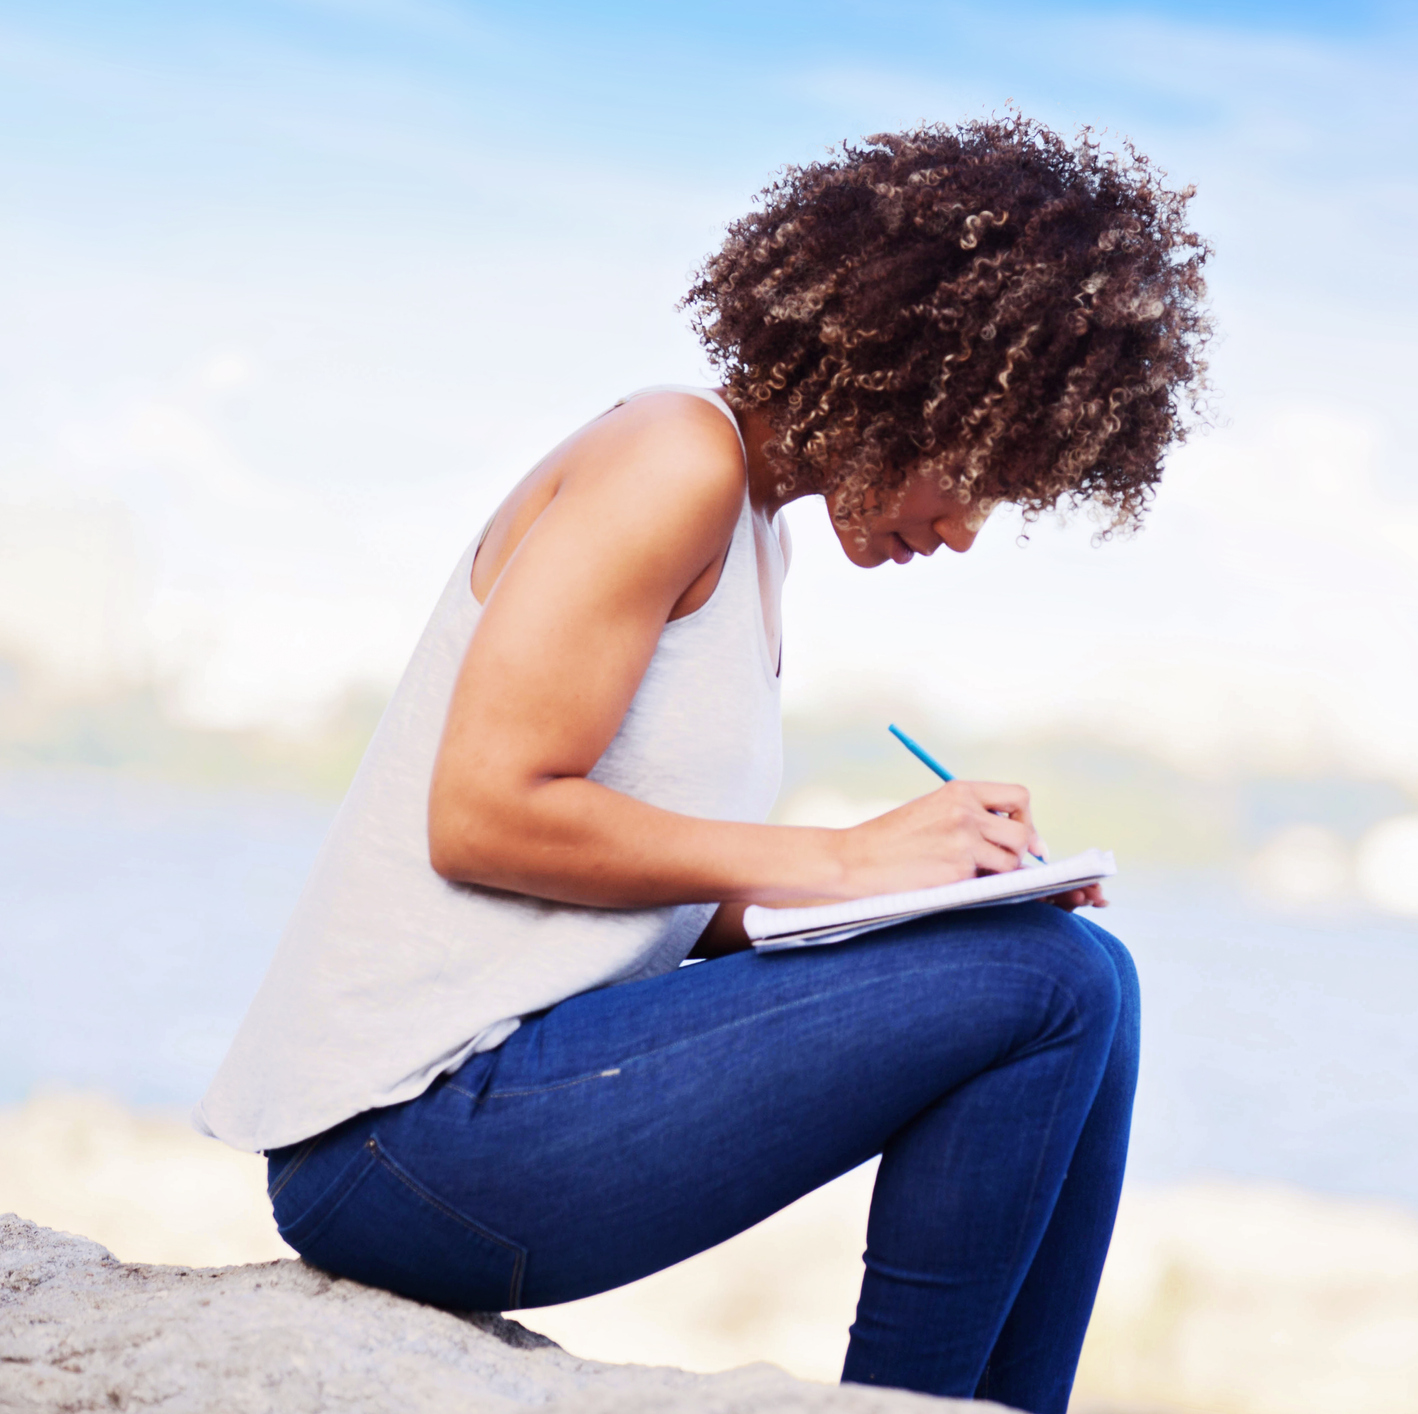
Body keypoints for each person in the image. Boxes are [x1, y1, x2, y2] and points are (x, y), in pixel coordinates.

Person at [192, 114, 1210, 1414]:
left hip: (501, 1104)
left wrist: (916, 899)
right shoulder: (670, 453)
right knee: (1056, 983)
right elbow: (483, 814)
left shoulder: (756, 541)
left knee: (1081, 976)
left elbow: (649, 905)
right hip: (401, 1138)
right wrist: (835, 854)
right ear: (915, 375)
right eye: (980, 471)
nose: (961, 530)